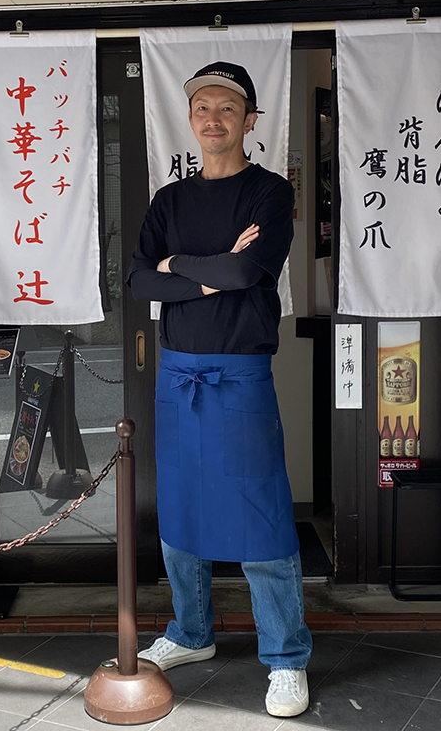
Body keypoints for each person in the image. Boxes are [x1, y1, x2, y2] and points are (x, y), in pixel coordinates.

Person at [126, 61, 312, 719]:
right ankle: (192, 632)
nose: (213, 119)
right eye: (202, 107)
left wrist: (182, 266)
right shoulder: (169, 201)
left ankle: (286, 658)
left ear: (250, 120)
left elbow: (248, 268)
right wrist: (203, 275)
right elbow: (139, 281)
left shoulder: (268, 194)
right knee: (179, 517)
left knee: (260, 518)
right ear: (190, 120)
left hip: (238, 373)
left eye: (227, 108)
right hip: (178, 372)